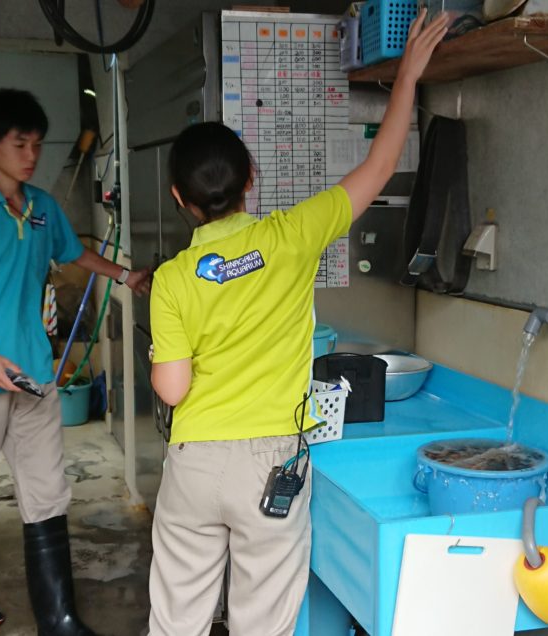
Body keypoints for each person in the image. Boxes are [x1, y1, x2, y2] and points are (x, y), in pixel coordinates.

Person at [146, 12, 449, 636]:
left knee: (177, 620)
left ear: (180, 199)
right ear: (251, 182)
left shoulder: (173, 278)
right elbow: (381, 161)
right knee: (264, 622)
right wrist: (408, 76)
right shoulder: (293, 235)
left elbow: (172, 390)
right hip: (271, 464)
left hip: (194, 463)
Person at [0, 88, 149, 635]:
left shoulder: (43, 208)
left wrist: (124, 275)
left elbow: (73, 254)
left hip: (35, 376)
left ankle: (58, 617)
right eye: (19, 143)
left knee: (47, 494)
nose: (30, 154)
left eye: (37, 144)